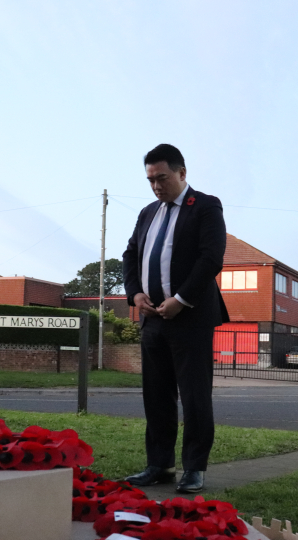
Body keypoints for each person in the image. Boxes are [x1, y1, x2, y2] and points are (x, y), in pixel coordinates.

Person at [122, 143, 228, 493]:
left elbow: (211, 259)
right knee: (156, 395)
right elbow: (130, 254)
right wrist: (135, 294)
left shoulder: (206, 206)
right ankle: (160, 464)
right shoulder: (147, 213)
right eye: (150, 179)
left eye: (162, 178)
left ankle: (194, 468)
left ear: (182, 173)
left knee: (195, 396)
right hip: (152, 320)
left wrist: (181, 300)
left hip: (190, 318)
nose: (156, 186)